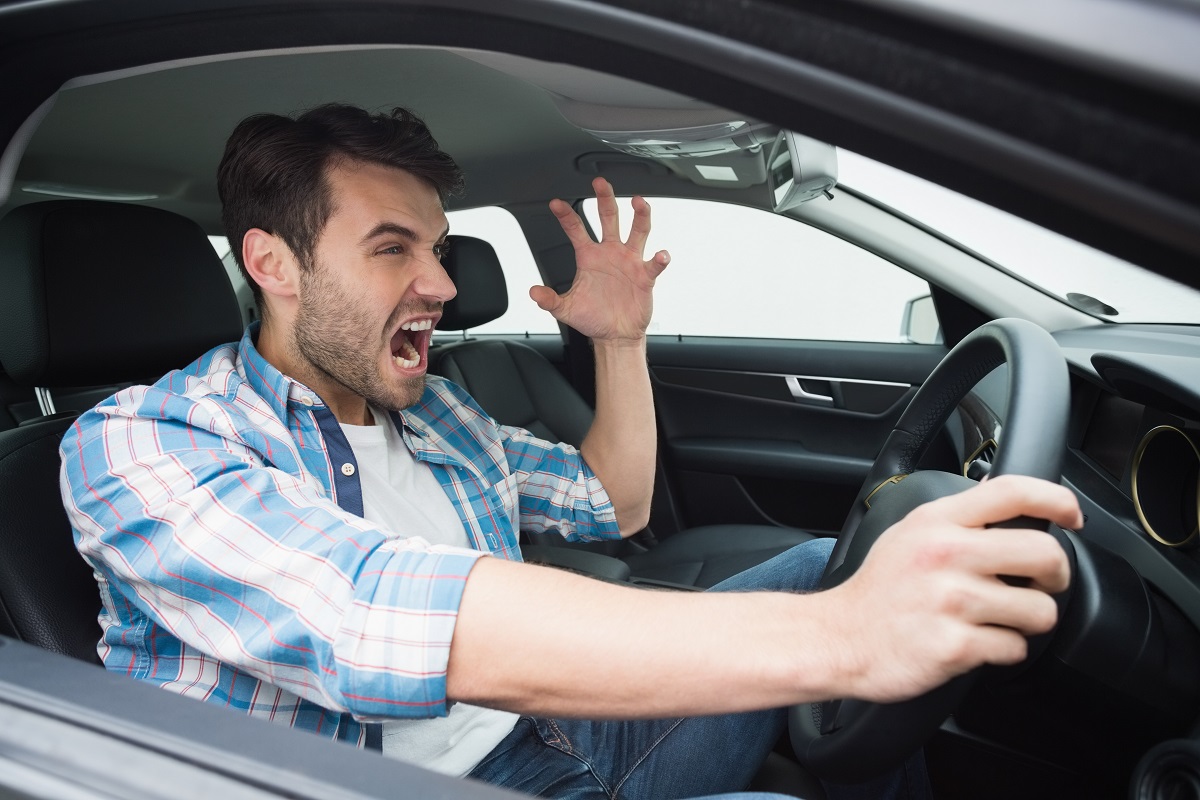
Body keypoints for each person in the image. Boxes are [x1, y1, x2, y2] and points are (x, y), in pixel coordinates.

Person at [60, 104, 1077, 800]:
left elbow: (613, 500)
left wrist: (619, 339)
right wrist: (849, 635)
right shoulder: (143, 444)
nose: (443, 284)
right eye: (392, 249)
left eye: (437, 245)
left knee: (820, 568)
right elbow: (368, 612)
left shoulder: (439, 416)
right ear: (273, 264)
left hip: (544, 736)